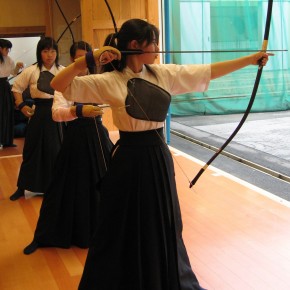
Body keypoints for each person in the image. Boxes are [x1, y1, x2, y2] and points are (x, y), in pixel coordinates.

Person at [51, 19, 269, 290]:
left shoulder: (162, 74)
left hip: (157, 156)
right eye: (153, 42)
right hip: (128, 159)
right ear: (135, 45)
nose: (157, 47)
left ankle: (162, 277)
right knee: (120, 223)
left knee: (163, 221)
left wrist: (249, 60)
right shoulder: (109, 80)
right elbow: (59, 85)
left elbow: (207, 71)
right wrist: (88, 59)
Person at [23, 41, 113, 255]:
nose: (83, 63)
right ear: (74, 60)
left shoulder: (98, 80)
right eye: (79, 59)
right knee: (61, 186)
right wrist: (78, 110)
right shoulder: (63, 83)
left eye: (88, 58)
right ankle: (47, 234)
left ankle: (108, 232)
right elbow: (56, 113)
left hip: (97, 136)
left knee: (106, 184)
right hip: (74, 138)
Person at [10, 37, 65, 201]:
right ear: (40, 52)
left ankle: (55, 187)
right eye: (45, 51)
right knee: (31, 149)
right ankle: (22, 187)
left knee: (55, 150)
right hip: (39, 112)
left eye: (53, 51)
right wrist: (21, 105)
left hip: (57, 112)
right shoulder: (32, 70)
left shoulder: (62, 70)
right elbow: (16, 88)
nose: (50, 55)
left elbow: (71, 89)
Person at [0, 39, 24, 149]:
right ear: (0, 48)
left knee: (7, 112)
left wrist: (18, 66)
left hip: (4, 86)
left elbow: (13, 73)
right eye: (6, 49)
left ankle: (7, 141)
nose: (8, 51)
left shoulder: (8, 59)